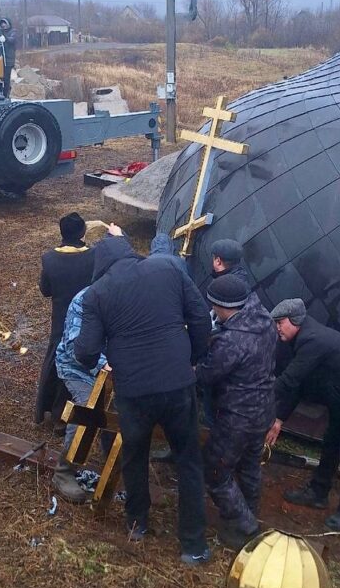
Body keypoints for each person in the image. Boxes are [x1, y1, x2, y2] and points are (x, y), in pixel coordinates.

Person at [75, 233, 213, 566]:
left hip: (134, 392)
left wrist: (109, 350)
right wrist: (192, 357)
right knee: (189, 461)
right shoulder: (168, 270)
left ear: (101, 264)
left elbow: (86, 351)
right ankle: (193, 545)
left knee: (134, 456)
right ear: (131, 252)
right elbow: (199, 318)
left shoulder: (98, 293)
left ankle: (138, 523)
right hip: (178, 384)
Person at [265, 299, 340, 532]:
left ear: (295, 320)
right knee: (330, 444)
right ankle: (318, 493)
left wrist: (256, 397)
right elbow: (298, 384)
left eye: (280, 322)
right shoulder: (303, 338)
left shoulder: (313, 341)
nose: (277, 327)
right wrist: (279, 419)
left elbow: (289, 380)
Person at [197, 275, 276, 549]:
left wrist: (191, 367)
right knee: (249, 466)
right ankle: (247, 517)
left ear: (221, 306)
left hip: (237, 416)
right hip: (263, 408)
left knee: (215, 470)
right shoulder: (264, 320)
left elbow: (207, 375)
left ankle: (247, 526)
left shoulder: (232, 341)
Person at [34, 212, 95, 429]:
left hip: (61, 320)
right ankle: (73, 410)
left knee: (56, 362)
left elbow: (45, 290)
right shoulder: (94, 256)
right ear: (82, 232)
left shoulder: (50, 259)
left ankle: (50, 409)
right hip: (87, 319)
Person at [51, 284, 110, 504]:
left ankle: (113, 460)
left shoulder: (134, 296)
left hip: (116, 368)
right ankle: (64, 471)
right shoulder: (85, 300)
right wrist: (106, 365)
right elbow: (76, 348)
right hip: (79, 369)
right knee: (87, 409)